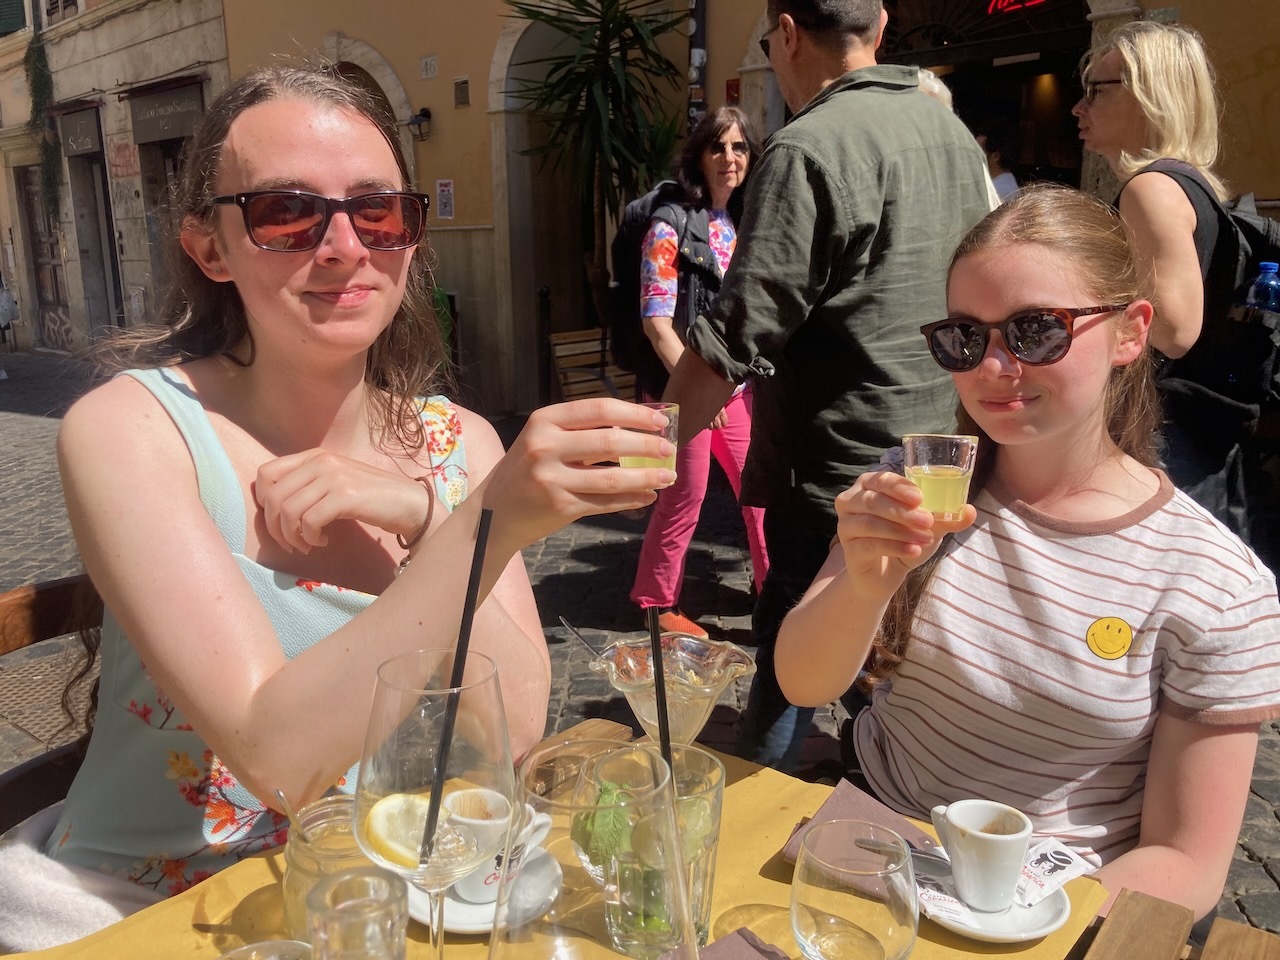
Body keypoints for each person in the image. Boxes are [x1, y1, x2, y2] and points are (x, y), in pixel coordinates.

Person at [0, 63, 676, 950]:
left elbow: (511, 730)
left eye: (377, 211)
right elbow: (277, 761)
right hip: (146, 915)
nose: (346, 246)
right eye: (286, 213)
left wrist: (430, 516)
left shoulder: (461, 445)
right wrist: (485, 522)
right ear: (210, 248)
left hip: (384, 897)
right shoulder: (132, 431)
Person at [774, 185, 1280, 922]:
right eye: (964, 337)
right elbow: (802, 683)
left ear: (1130, 332)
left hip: (1051, 910)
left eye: (1036, 331)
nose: (992, 367)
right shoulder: (915, 487)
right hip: (871, 855)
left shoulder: (1216, 584)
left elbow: (1186, 861)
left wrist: (1003, 920)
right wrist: (862, 584)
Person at [662, 0, 990, 771]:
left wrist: (651, 447)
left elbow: (739, 331)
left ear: (786, 34)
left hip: (838, 471)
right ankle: (886, 797)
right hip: (941, 459)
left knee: (791, 665)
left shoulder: (808, 145)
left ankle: (760, 807)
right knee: (896, 667)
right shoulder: (950, 131)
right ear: (879, 26)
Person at [1072, 22, 1269, 559]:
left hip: (1162, 430)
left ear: (1148, 96)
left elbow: (1174, 329)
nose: (1078, 107)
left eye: (1096, 90)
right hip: (1192, 429)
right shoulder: (1190, 184)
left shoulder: (1151, 189)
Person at [630, 106, 768, 638]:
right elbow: (657, 324)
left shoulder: (747, 222)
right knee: (682, 496)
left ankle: (773, 592)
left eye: (739, 147)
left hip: (737, 385)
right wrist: (699, 391)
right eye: (718, 147)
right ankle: (657, 604)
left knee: (759, 493)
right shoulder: (670, 224)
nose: (730, 158)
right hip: (682, 387)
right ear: (699, 156)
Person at [975, 118, 1020, 203]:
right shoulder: (1003, 185)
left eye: (978, 152)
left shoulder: (999, 191)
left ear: (996, 156)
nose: (974, 157)